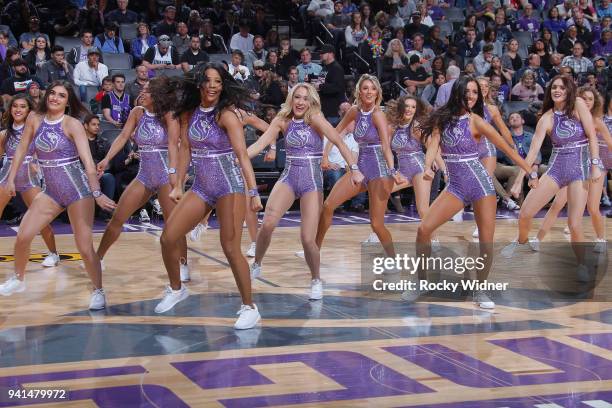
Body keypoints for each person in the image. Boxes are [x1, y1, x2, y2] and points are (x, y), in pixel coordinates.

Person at [157, 63, 262, 330]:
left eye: (217, 81)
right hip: (202, 187)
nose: (213, 85)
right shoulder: (189, 114)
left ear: (223, 85)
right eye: (208, 80)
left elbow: (241, 156)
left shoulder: (226, 115)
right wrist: (179, 184)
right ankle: (177, 289)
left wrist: (252, 192)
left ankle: (250, 308)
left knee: (230, 248)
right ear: (200, 84)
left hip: (230, 186)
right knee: (168, 237)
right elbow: (185, 150)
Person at [414, 76, 533, 308]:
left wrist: (530, 172)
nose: (471, 96)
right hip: (456, 186)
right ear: (457, 92)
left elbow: (505, 147)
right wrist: (428, 167)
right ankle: (422, 282)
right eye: (467, 91)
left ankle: (480, 290)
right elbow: (433, 144)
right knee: (423, 229)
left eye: (475, 93)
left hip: (480, 185)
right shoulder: (442, 118)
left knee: (486, 242)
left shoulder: (476, 120)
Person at [0, 81, 116, 307]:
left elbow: (88, 163)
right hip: (51, 191)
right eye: (52, 93)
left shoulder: (73, 124)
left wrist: (97, 193)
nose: (54, 97)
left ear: (67, 101)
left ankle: (98, 291)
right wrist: (12, 178)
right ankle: (18, 278)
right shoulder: (34, 119)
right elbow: (21, 150)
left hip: (78, 191)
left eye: (61, 95)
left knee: (84, 247)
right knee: (23, 235)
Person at [247, 83, 364, 299]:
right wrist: (239, 157)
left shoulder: (315, 118)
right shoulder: (282, 120)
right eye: (297, 97)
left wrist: (354, 168)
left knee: (307, 238)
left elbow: (338, 140)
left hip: (311, 181)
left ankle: (316, 280)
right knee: (268, 223)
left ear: (311, 101)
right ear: (291, 99)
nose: (300, 102)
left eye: (305, 98)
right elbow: (261, 143)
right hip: (289, 177)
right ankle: (257, 264)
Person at [502, 76, 603, 279]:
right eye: (554, 87)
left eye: (562, 88)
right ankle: (521, 242)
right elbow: (532, 153)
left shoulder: (579, 105)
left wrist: (594, 165)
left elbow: (592, 136)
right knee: (525, 213)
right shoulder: (546, 118)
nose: (557, 90)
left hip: (579, 169)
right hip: (556, 170)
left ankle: (582, 263)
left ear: (568, 91)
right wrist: (520, 179)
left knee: (574, 224)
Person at [95, 77, 189, 281]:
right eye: (142, 90)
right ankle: (98, 258)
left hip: (166, 175)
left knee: (174, 225)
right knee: (117, 219)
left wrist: (174, 175)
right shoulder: (137, 113)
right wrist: (106, 159)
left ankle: (183, 264)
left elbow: (174, 145)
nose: (142, 93)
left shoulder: (170, 116)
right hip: (144, 174)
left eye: (147, 91)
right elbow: (122, 137)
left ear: (158, 95)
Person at [316, 74, 404, 257]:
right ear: (359, 91)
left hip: (379, 170)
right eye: (365, 88)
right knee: (328, 205)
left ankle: (394, 260)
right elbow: (335, 132)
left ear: (377, 92)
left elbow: (386, 147)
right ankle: (314, 249)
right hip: (360, 167)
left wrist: (393, 169)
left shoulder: (379, 114)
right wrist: (325, 155)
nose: (369, 92)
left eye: (373, 88)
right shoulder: (354, 111)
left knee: (376, 224)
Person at [531, 86, 612, 252]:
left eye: (590, 99)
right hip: (573, 165)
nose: (586, 102)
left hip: (594, 167)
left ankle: (600, 238)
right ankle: (538, 238)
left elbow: (610, 144)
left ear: (595, 102)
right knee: (557, 204)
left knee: (593, 208)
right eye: (583, 98)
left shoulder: (597, 122)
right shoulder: (570, 119)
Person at [0, 94, 59, 269]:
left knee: (40, 220)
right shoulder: (3, 134)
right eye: (15, 106)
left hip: (29, 177)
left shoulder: (36, 130)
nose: (18, 109)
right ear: (10, 110)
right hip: (6, 177)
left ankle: (54, 254)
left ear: (29, 111)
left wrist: (37, 163)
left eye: (22, 106)